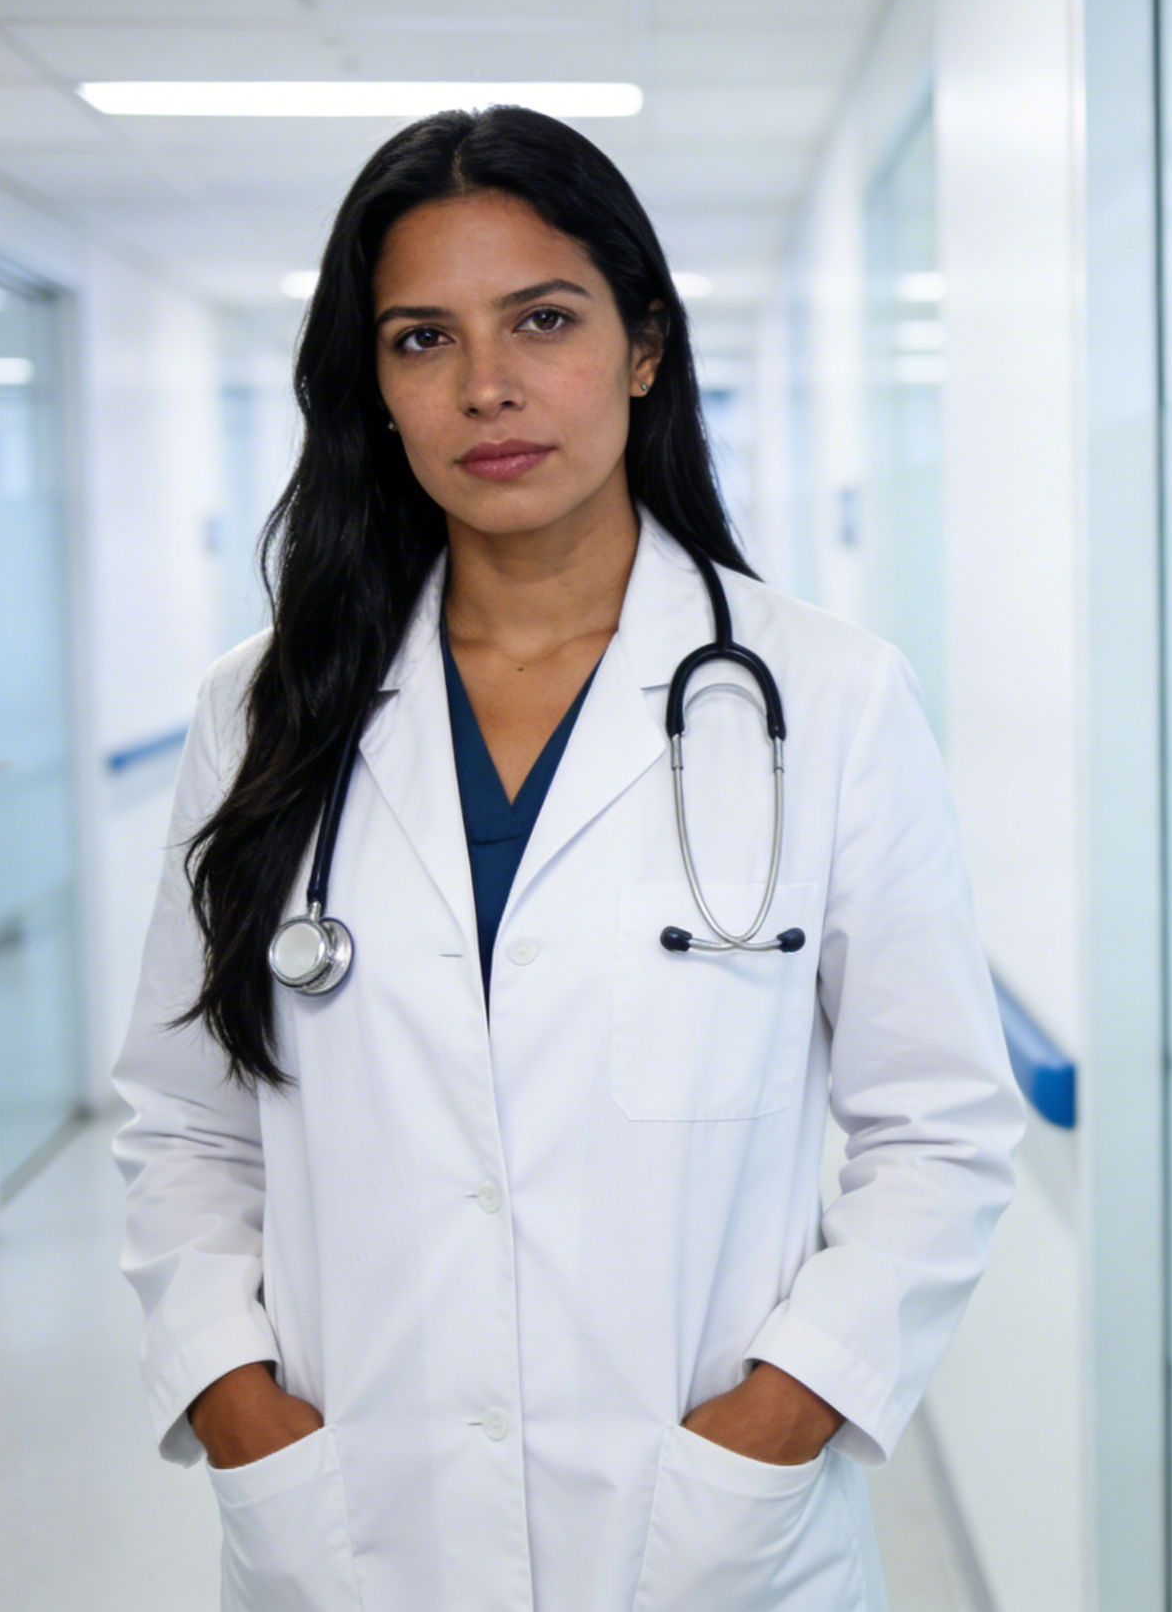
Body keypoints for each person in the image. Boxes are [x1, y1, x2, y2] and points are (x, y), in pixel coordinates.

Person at [110, 103, 1025, 1612]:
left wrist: (774, 1422)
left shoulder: (827, 693)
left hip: (705, 1537)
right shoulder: (261, 708)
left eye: (542, 319)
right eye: (420, 338)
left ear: (644, 343)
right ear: (374, 386)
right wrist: (239, 1406)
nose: (487, 385)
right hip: (357, 1525)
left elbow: (936, 1126)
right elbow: (184, 1126)